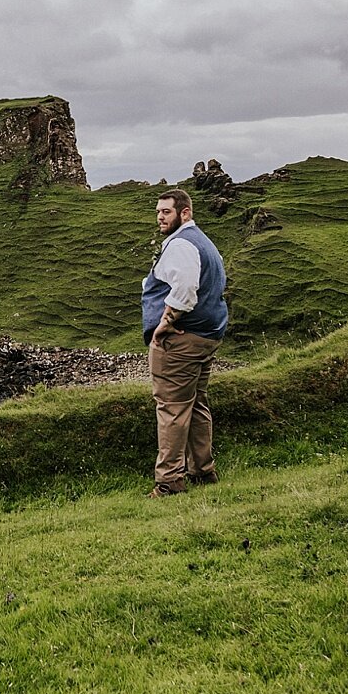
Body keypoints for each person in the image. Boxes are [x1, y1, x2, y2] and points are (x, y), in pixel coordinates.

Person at [141, 188, 228, 497]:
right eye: (158, 212)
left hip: (181, 341)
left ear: (185, 213)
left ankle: (169, 483)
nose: (160, 217)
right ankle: (203, 472)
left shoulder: (181, 244)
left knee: (172, 409)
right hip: (206, 336)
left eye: (166, 212)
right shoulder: (203, 242)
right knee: (197, 404)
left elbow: (187, 288)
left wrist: (165, 323)